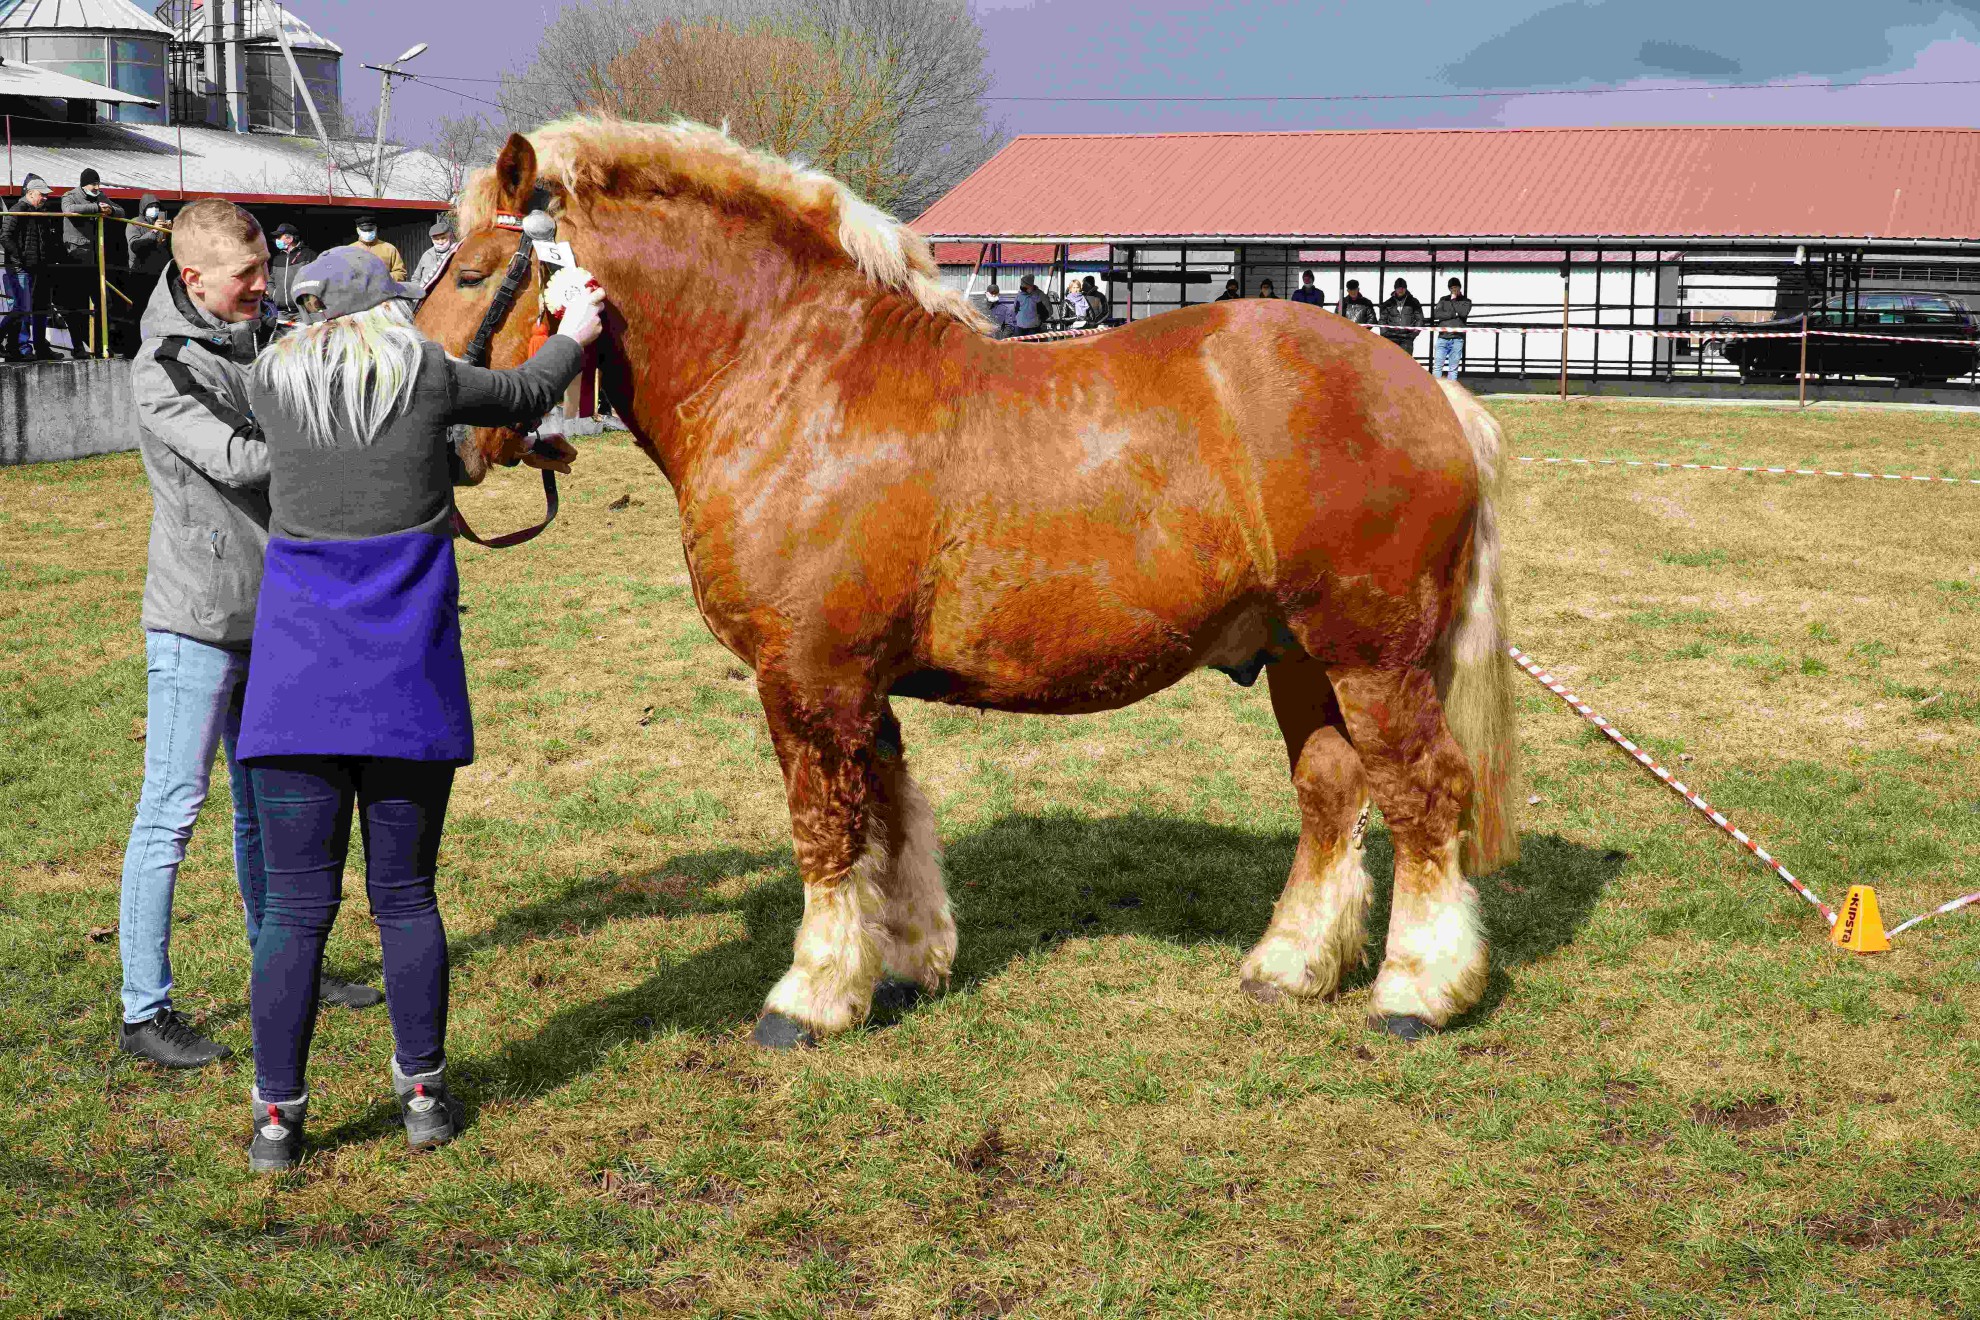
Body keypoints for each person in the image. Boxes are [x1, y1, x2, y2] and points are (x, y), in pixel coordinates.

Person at [232, 247, 605, 1172]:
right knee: (404, 897)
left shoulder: (271, 385)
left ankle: (277, 1118)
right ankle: (425, 1096)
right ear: (385, 312)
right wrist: (577, 328)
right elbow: (526, 394)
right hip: (407, 682)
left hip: (293, 687)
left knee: (294, 909)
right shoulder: (425, 377)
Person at [117, 200, 388, 1072]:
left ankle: (286, 961)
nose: (266, 284)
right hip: (198, 621)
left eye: (268, 268)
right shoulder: (162, 365)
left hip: (276, 616)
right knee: (171, 811)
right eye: (248, 275)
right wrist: (337, 422)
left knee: (262, 811)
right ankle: (143, 1008)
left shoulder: (260, 335)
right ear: (194, 278)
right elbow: (239, 459)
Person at [61, 168, 125, 357]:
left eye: (98, 184)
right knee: (75, 305)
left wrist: (110, 210)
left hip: (96, 261)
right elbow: (68, 209)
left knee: (105, 303)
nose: (97, 187)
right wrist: (96, 209)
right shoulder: (70, 196)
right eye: (93, 184)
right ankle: (78, 348)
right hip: (75, 259)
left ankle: (101, 346)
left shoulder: (101, 196)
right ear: (83, 185)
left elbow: (121, 211)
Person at [2, 176, 61, 360]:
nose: (45, 198)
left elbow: (44, 240)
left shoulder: (39, 212)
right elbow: (5, 236)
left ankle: (34, 348)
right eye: (42, 194)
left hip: (38, 267)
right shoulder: (18, 209)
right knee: (23, 308)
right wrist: (19, 258)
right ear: (30, 193)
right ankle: (18, 347)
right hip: (21, 266)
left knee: (38, 308)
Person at [126, 195, 173, 342]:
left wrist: (169, 232)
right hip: (141, 273)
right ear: (143, 208)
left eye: (157, 207)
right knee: (141, 310)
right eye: (151, 206)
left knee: (161, 310)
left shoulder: (161, 223)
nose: (155, 209)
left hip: (160, 273)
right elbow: (135, 245)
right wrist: (154, 231)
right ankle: (136, 344)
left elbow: (166, 247)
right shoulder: (134, 223)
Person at [267, 224, 319, 318]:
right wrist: (274, 295)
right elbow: (270, 281)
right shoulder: (277, 259)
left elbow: (317, 281)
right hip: (281, 312)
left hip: (304, 312)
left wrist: (307, 301)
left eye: (279, 237)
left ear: (289, 238)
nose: (276, 240)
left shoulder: (309, 255)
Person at [1432, 277, 1472, 380]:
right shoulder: (1443, 299)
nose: (1454, 290)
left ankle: (1451, 389)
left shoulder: (1466, 301)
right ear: (1449, 289)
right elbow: (1437, 314)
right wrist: (1454, 314)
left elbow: (1463, 313)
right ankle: (1437, 389)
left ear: (1460, 288)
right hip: (1442, 337)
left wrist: (1454, 300)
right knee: (1437, 366)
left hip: (1457, 338)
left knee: (1453, 369)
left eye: (1456, 287)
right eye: (1452, 288)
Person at [352, 214, 406, 281]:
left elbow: (401, 273)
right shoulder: (350, 250)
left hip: (383, 287)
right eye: (364, 231)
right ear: (358, 230)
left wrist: (384, 278)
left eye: (370, 230)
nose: (368, 233)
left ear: (376, 229)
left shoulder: (389, 249)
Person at [410, 216, 457, 291]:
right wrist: (417, 292)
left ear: (449, 236)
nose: (440, 242)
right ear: (432, 240)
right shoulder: (427, 255)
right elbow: (416, 278)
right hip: (427, 295)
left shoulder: (457, 252)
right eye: (437, 239)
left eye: (443, 238)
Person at [1380, 277, 1424, 355]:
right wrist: (1385, 334)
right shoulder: (1388, 303)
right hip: (1391, 337)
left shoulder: (1413, 302)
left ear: (1406, 289)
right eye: (1398, 288)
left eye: (1403, 288)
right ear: (1395, 289)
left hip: (1407, 338)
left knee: (1405, 360)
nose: (1401, 290)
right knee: (1391, 360)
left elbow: (1419, 319)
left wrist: (1413, 334)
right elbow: (1382, 319)